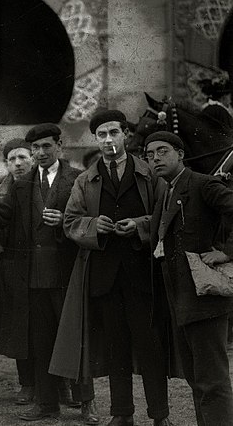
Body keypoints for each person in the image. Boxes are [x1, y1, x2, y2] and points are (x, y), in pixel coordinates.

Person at [0, 124, 97, 423]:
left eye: (46, 147)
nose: (41, 153)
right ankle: (47, 405)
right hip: (33, 277)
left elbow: (90, 217)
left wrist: (66, 221)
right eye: (36, 149)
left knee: (74, 338)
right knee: (41, 341)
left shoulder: (77, 180)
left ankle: (87, 403)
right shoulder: (21, 186)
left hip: (66, 274)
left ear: (59, 147)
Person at [51, 110, 173, 426]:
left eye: (114, 133)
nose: (108, 141)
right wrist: (94, 225)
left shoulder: (150, 176)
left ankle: (160, 416)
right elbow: (70, 221)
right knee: (116, 346)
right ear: (97, 139)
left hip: (144, 275)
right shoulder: (85, 180)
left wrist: (140, 225)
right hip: (104, 277)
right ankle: (122, 414)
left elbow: (166, 218)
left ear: (126, 136)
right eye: (102, 135)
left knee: (150, 346)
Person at [145, 131, 233, 425]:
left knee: (212, 381)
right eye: (149, 154)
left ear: (180, 154)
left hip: (204, 299)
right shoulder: (167, 190)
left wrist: (226, 252)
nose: (155, 158)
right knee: (197, 380)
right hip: (181, 301)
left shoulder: (202, 184)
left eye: (162, 151)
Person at [0, 138, 35, 404]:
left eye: (23, 157)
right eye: (12, 159)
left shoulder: (43, 186)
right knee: (19, 327)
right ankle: (26, 384)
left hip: (42, 263)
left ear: (33, 158)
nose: (18, 164)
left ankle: (61, 384)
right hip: (13, 266)